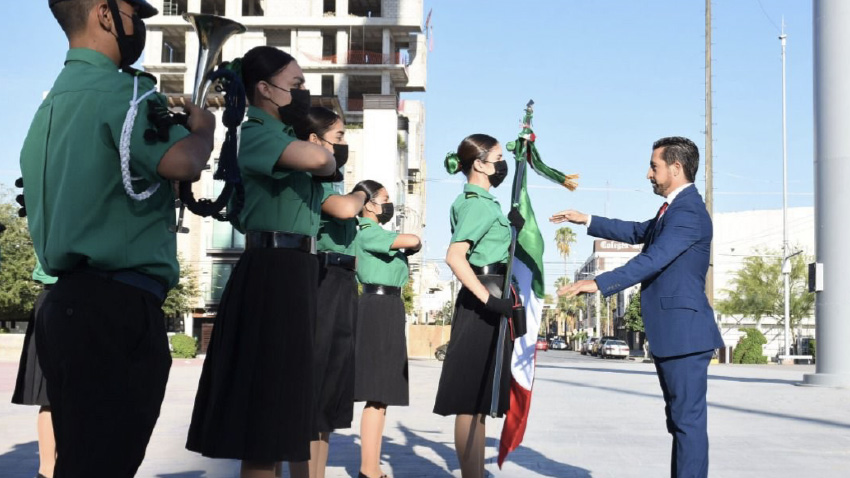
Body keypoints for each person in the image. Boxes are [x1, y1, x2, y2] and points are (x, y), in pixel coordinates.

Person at [20, 0, 215, 476]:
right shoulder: (127, 94)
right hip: (116, 309)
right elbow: (183, 163)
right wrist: (205, 129)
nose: (141, 23)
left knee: (82, 462)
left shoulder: (49, 106)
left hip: (65, 304)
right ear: (105, 15)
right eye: (134, 12)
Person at [185, 46, 336, 478]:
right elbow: (321, 159)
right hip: (272, 272)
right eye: (297, 84)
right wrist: (320, 151)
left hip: (295, 272)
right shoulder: (256, 134)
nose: (304, 92)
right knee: (265, 421)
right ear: (265, 89)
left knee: (287, 409)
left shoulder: (281, 135)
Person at [553, 136, 724, 478]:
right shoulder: (672, 210)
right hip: (675, 335)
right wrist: (586, 219)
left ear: (676, 168)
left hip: (686, 336)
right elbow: (637, 231)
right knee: (679, 421)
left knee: (687, 423)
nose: (648, 174)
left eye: (654, 166)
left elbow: (653, 259)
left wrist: (599, 282)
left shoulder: (688, 212)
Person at [289, 107, 369, 478]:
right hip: (321, 275)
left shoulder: (329, 178)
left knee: (328, 393)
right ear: (314, 141)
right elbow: (342, 209)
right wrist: (361, 193)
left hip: (341, 281)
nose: (343, 145)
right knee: (312, 387)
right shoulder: (313, 179)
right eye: (338, 137)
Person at [433, 134, 517, 478]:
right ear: (480, 164)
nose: (501, 164)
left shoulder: (484, 202)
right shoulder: (477, 203)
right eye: (497, 157)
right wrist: (490, 300)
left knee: (480, 401)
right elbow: (455, 256)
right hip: (484, 297)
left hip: (492, 295)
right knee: (469, 400)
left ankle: (476, 474)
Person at [352, 180, 421, 478]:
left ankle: (372, 467)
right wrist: (411, 240)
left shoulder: (381, 234)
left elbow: (412, 243)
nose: (389, 204)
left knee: (381, 396)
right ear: (368, 204)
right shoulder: (369, 233)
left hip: (389, 307)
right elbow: (412, 240)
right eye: (385, 199)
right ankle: (369, 469)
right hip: (376, 307)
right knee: (375, 392)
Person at [11, 260, 58, 478]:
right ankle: (48, 471)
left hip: (54, 297)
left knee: (50, 399)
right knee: (51, 398)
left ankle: (47, 471)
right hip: (69, 296)